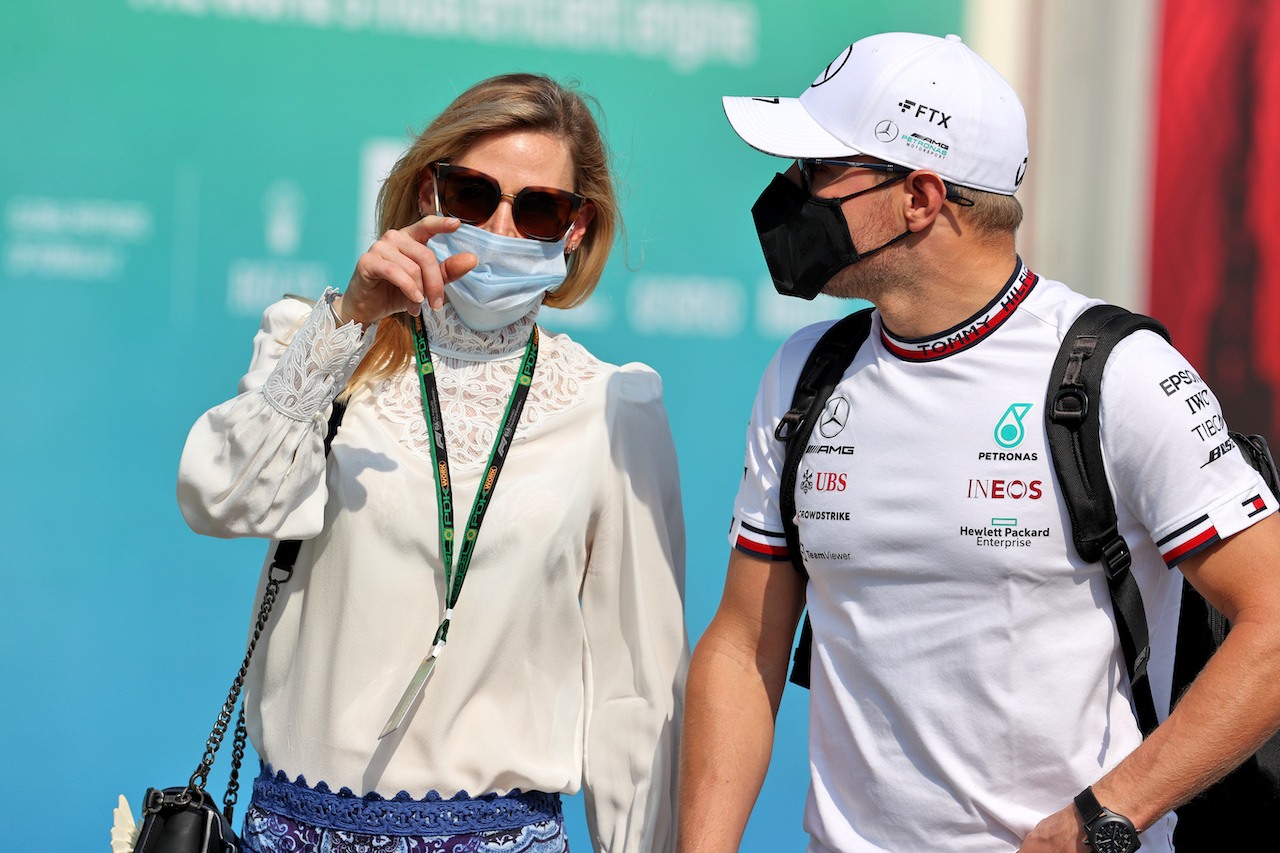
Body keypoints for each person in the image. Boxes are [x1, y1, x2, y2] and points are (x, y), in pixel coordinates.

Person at [678, 32, 1280, 853]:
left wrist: (1102, 817)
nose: (791, 194)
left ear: (920, 197)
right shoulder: (804, 376)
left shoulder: (1118, 373)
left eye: (819, 170)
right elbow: (744, 643)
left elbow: (1273, 626)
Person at [178, 73, 687, 853]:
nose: (503, 228)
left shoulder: (615, 405)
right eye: (475, 195)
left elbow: (637, 695)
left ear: (575, 228)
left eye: (539, 207)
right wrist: (349, 317)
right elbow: (223, 501)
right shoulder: (316, 345)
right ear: (429, 192)